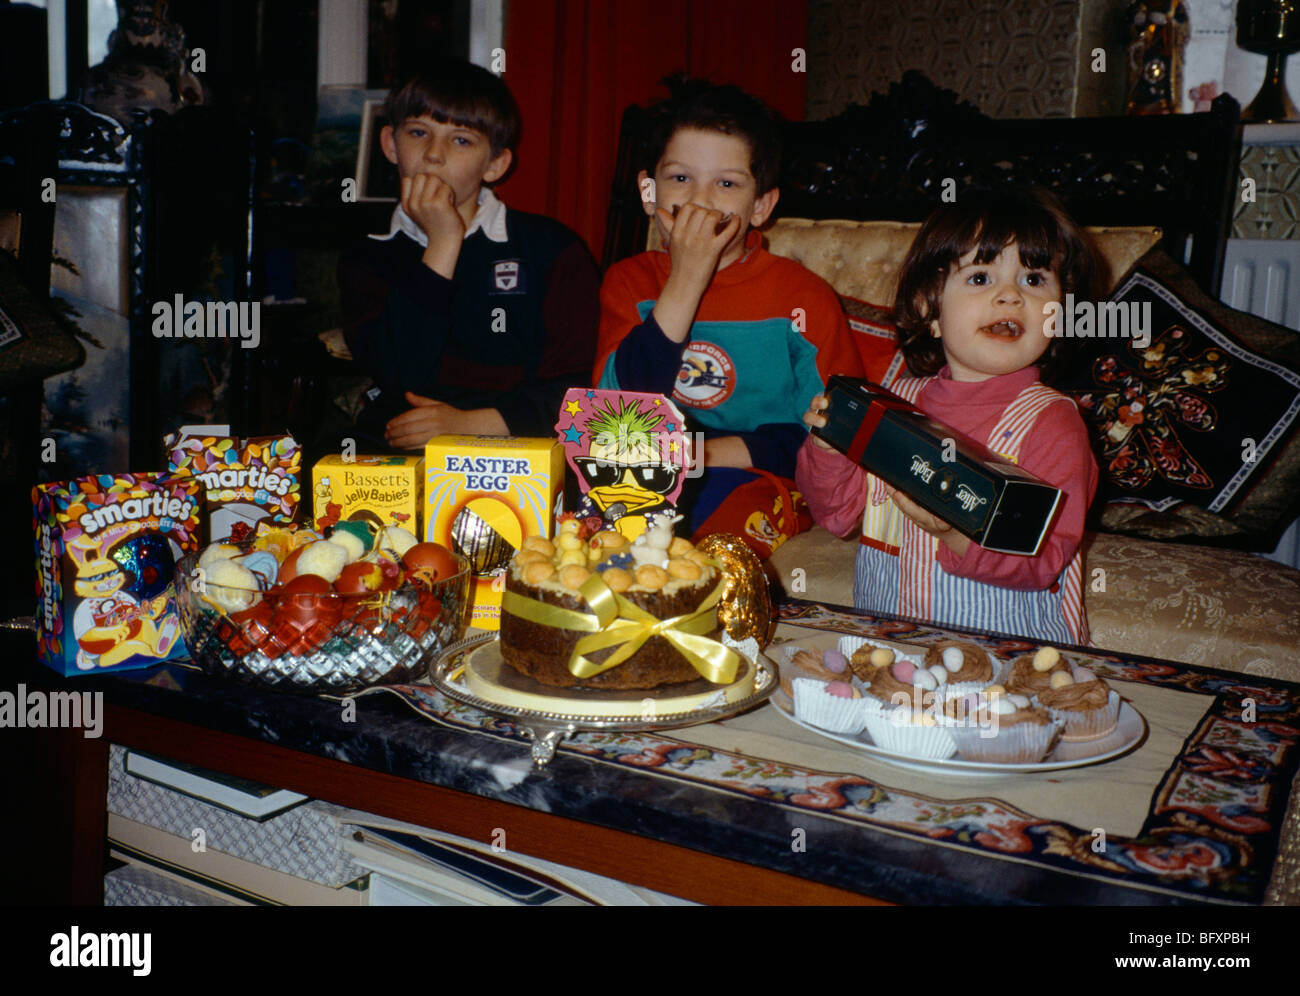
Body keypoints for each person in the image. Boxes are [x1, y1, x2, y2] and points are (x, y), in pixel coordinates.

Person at [798, 189, 1101, 645]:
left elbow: (1041, 561)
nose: (1010, 297)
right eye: (981, 278)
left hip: (1007, 662)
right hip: (889, 646)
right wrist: (827, 448)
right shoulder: (891, 407)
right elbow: (836, 515)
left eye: (1034, 280)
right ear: (929, 309)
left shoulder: (1054, 425)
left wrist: (953, 534)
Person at [593, 77, 862, 554]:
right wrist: (686, 278)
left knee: (705, 544)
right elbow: (616, 415)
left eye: (726, 183)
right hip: (641, 472)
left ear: (760, 206)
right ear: (649, 191)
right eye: (680, 178)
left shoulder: (803, 297)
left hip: (762, 473)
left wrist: (706, 455)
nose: (700, 200)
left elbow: (830, 436)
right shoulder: (628, 282)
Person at [339, 60, 600, 450]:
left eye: (461, 140)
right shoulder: (368, 255)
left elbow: (579, 390)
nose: (433, 155)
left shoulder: (550, 249)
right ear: (391, 144)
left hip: (518, 447)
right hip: (402, 450)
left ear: (495, 164)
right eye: (418, 133)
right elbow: (398, 374)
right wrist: (443, 245)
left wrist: (465, 424)